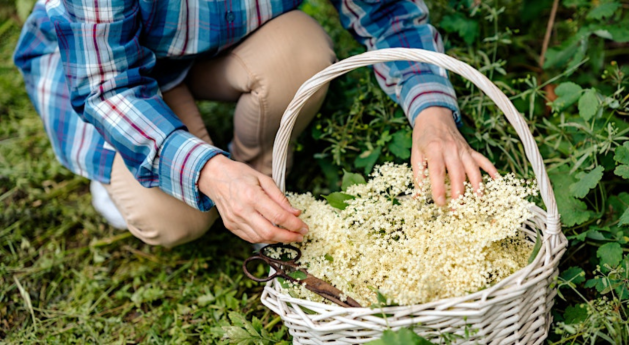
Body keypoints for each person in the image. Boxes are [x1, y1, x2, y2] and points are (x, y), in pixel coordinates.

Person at [14, 0, 498, 248]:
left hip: (215, 40)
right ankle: (180, 181)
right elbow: (106, 86)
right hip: (113, 71)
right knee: (175, 218)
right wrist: (207, 171)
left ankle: (256, 180)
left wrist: (432, 113)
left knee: (301, 51)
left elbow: (387, 11)